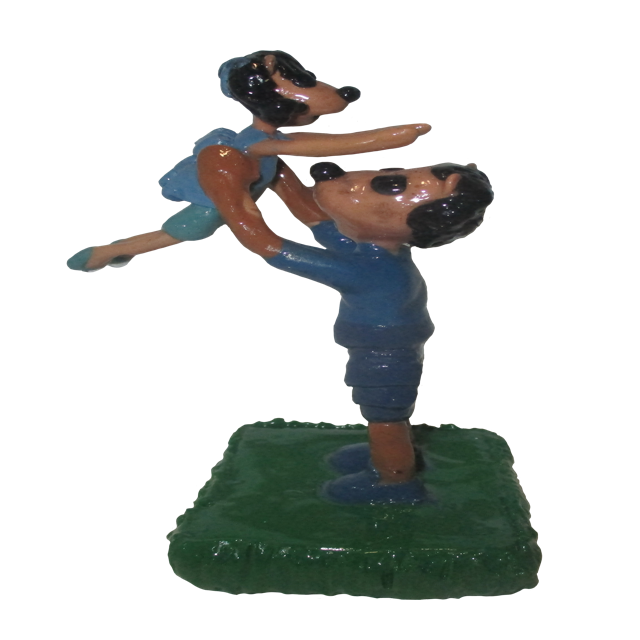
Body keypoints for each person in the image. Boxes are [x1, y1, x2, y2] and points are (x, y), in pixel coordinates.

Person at [196, 145, 494, 504]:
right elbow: (314, 218)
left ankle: (395, 480)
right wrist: (276, 170)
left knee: (384, 414)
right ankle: (386, 453)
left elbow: (268, 245)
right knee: (383, 412)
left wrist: (226, 193)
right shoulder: (374, 247)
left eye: (388, 186)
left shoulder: (370, 268)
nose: (335, 176)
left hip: (384, 351)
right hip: (384, 342)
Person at [67, 50, 430, 272]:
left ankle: (117, 249)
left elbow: (328, 150)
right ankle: (113, 250)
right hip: (219, 197)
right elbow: (330, 146)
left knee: (288, 186)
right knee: (184, 231)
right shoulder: (257, 146)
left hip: (255, 181)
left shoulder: (268, 144)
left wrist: (398, 135)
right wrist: (399, 135)